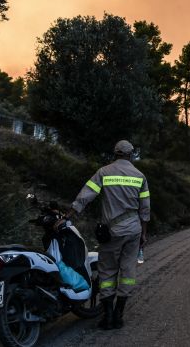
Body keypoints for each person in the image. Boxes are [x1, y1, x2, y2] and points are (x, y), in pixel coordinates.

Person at [68, 139, 150, 330]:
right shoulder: (140, 176)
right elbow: (145, 209)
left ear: (115, 154)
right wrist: (143, 234)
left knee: (107, 271)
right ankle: (120, 315)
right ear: (131, 155)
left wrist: (70, 213)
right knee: (128, 270)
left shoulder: (104, 172)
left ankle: (108, 316)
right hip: (134, 230)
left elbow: (86, 195)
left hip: (112, 231)